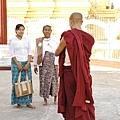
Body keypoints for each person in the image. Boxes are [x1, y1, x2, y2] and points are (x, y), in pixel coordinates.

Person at [55, 12, 95, 120]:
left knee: (71, 100)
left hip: (70, 73)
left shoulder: (67, 36)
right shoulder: (89, 38)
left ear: (70, 21)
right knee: (82, 98)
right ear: (82, 22)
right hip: (83, 73)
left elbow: (57, 52)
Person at [9, 24, 35, 109]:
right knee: (16, 81)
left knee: (27, 81)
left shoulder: (27, 40)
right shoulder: (12, 40)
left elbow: (29, 52)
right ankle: (18, 102)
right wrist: (18, 64)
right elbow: (12, 54)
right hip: (16, 63)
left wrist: (28, 63)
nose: (21, 31)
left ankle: (28, 102)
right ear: (16, 30)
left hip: (26, 62)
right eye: (20, 29)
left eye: (23, 29)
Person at [33, 25, 59, 105]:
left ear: (51, 31)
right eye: (45, 30)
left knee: (54, 81)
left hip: (53, 64)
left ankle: (55, 98)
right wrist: (35, 65)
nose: (47, 31)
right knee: (44, 81)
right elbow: (36, 53)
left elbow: (58, 52)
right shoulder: (40, 41)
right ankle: (45, 99)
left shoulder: (55, 41)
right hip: (43, 64)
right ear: (43, 31)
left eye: (49, 30)